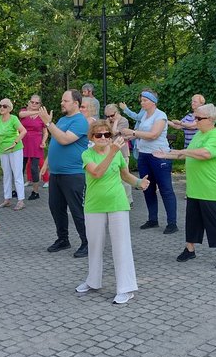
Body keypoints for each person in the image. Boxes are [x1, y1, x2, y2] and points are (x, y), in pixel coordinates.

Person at [77, 120, 149, 304]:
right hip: (94, 205)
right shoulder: (87, 154)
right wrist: (113, 151)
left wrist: (138, 182)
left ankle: (126, 288)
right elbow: (97, 173)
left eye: (106, 134)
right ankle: (93, 281)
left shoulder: (116, 155)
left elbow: (124, 175)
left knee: (121, 246)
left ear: (110, 136)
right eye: (98, 135)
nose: (103, 138)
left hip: (117, 203)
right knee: (94, 245)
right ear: (92, 137)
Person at [155, 104, 216, 269]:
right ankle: (190, 249)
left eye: (199, 118)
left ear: (211, 119)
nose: (195, 120)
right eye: (195, 117)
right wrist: (167, 154)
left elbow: (205, 154)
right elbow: (186, 152)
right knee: (192, 221)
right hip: (195, 188)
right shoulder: (199, 134)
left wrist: (183, 152)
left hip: (211, 188)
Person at [121, 89, 178, 235]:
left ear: (153, 102)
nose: (142, 103)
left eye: (145, 100)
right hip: (144, 155)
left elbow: (153, 135)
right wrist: (125, 137)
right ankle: (153, 219)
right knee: (147, 187)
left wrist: (133, 133)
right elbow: (139, 133)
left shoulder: (161, 115)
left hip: (159, 156)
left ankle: (172, 223)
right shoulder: (145, 116)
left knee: (165, 189)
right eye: (141, 100)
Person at [40, 90, 90, 257]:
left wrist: (48, 123)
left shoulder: (80, 121)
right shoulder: (62, 120)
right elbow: (55, 142)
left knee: (76, 209)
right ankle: (63, 239)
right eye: (62, 100)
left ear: (76, 103)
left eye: (65, 101)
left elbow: (64, 139)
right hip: (56, 173)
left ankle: (87, 242)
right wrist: (47, 163)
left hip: (73, 174)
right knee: (56, 207)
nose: (62, 103)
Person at [0, 98, 27, 210]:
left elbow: (23, 131)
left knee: (17, 174)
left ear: (9, 108)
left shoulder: (13, 119)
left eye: (4, 106)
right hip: (3, 150)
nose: (1, 108)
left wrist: (15, 142)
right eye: (0, 105)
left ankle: (21, 200)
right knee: (6, 174)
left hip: (15, 149)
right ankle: (7, 199)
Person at [20, 95, 48, 200]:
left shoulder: (42, 117)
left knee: (34, 168)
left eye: (37, 103)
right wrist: (37, 112)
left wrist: (44, 141)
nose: (34, 104)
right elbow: (21, 114)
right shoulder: (24, 112)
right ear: (28, 102)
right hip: (23, 143)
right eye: (32, 102)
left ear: (40, 104)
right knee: (20, 168)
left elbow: (45, 132)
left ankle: (35, 192)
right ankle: (19, 190)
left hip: (36, 143)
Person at [105, 104, 132, 204]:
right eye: (107, 116)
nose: (110, 118)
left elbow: (113, 133)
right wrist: (109, 123)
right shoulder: (108, 121)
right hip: (110, 152)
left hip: (122, 152)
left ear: (117, 112)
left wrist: (115, 122)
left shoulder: (123, 121)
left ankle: (128, 200)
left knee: (125, 177)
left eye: (112, 115)